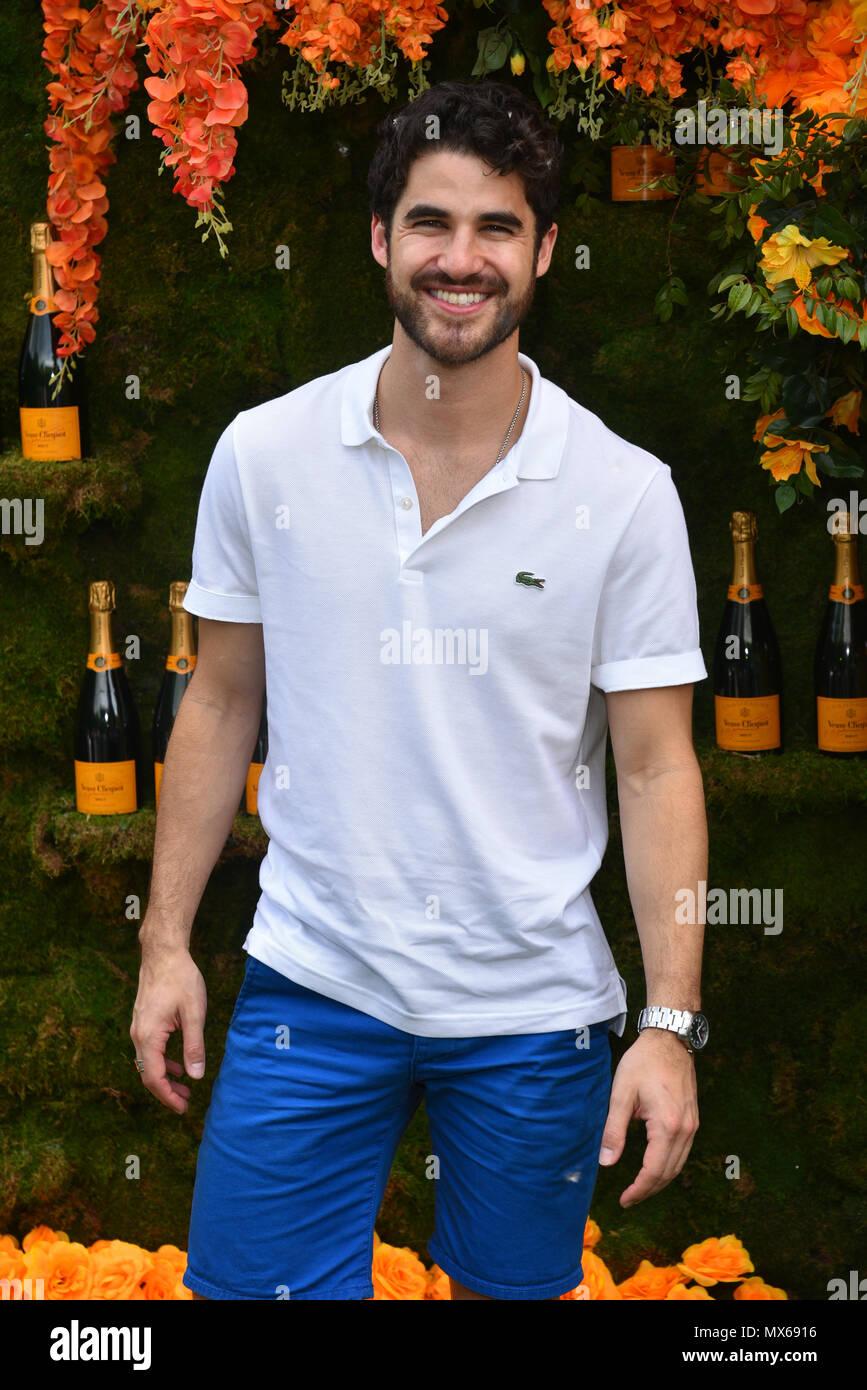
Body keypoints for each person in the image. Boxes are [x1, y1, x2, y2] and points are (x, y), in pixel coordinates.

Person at [130, 78, 709, 1302]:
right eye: (432, 223)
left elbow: (658, 766)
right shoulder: (265, 452)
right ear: (381, 238)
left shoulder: (626, 491)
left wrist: (669, 1022)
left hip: (534, 1011)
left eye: (497, 227)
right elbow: (221, 702)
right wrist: (166, 943)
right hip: (313, 982)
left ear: (546, 249)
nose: (463, 258)